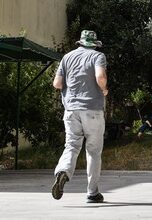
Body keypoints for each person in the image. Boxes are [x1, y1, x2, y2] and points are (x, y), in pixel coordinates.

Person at [51, 30, 108, 203]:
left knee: (72, 145)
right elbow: (100, 76)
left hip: (71, 110)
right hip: (92, 110)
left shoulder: (67, 58)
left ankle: (63, 171)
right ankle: (92, 193)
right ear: (94, 44)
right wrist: (104, 89)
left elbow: (57, 84)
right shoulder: (98, 56)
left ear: (80, 42)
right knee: (93, 151)